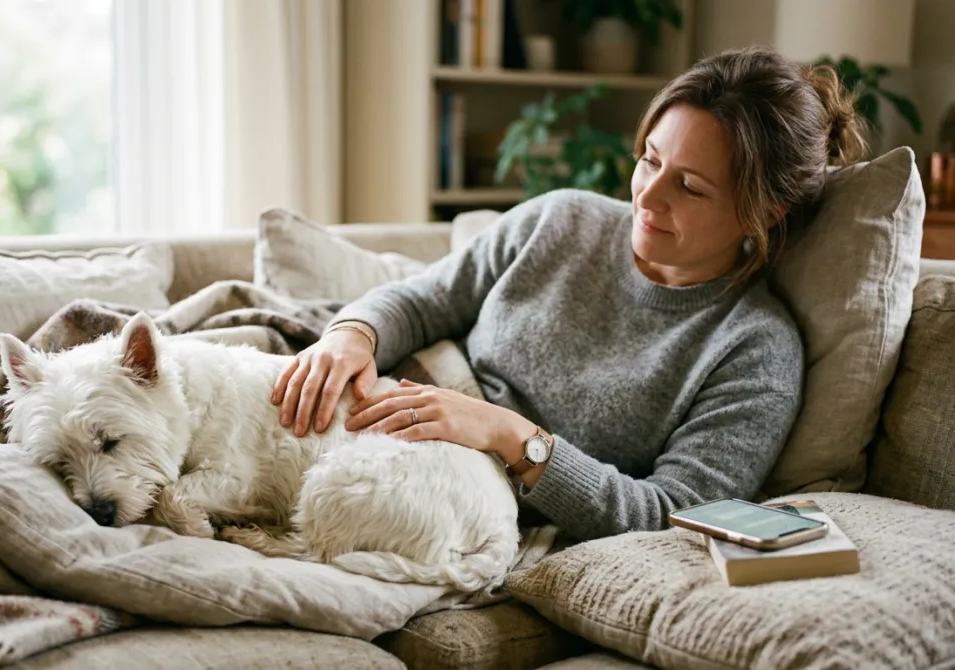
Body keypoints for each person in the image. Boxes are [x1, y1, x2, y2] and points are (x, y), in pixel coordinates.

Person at [270, 45, 867, 542]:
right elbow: (421, 300)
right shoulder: (560, 220)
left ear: (765, 211)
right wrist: (352, 336)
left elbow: (671, 514)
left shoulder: (755, 351)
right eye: (649, 161)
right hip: (372, 392)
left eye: (689, 187)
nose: (648, 198)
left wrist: (510, 435)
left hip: (447, 486)